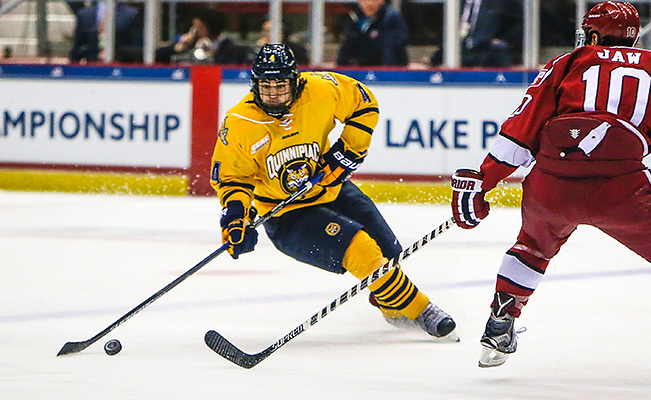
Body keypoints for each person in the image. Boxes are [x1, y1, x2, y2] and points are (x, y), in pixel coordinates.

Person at [450, 1, 651, 368]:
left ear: (592, 34)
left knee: (531, 246)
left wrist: (483, 181)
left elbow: (519, 132)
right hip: (622, 189)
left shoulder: (566, 64)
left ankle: (502, 320)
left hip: (552, 184)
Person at [210, 43, 457, 340]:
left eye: (280, 85)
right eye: (266, 86)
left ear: (295, 81)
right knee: (362, 249)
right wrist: (236, 218)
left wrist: (347, 151)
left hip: (330, 188)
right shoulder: (240, 123)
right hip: (287, 215)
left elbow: (364, 103)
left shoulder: (321, 89)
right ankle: (424, 311)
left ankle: (393, 307)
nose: (273, 93)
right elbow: (233, 178)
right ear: (255, 84)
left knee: (389, 252)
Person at [155, 7, 253, 65]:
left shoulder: (231, 49)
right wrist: (177, 48)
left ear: (211, 27)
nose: (195, 31)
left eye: (199, 27)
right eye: (193, 26)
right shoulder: (190, 43)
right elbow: (157, 56)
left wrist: (210, 53)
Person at [336, 0, 408, 66]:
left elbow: (390, 48)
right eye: (364, 0)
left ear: (381, 1)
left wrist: (387, 71)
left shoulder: (391, 18)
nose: (368, 4)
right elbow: (346, 46)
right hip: (362, 69)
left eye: (372, 0)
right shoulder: (356, 19)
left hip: (389, 70)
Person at [69, 1, 143, 63]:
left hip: (120, 65)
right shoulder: (84, 14)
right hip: (92, 66)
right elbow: (77, 46)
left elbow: (136, 45)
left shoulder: (131, 14)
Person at [459, 0, 523, 67]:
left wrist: (503, 41)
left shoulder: (502, 2)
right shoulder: (457, 3)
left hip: (489, 54)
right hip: (460, 53)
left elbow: (518, 24)